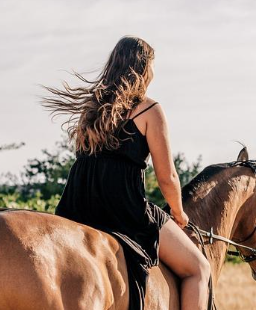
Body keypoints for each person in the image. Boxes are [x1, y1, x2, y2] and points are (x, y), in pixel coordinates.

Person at [40, 36, 211, 310]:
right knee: (199, 269)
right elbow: (167, 177)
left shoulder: (91, 109)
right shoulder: (149, 109)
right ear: (144, 68)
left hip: (78, 205)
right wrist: (179, 214)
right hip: (123, 210)